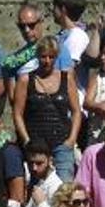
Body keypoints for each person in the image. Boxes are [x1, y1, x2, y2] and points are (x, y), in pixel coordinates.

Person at [13, 36, 81, 181]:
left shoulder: (66, 78)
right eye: (44, 56)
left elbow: (76, 111)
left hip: (61, 142)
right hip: (36, 144)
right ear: (38, 56)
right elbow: (17, 113)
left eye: (51, 57)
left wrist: (72, 139)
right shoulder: (26, 80)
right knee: (37, 188)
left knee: (65, 188)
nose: (47, 61)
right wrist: (26, 140)